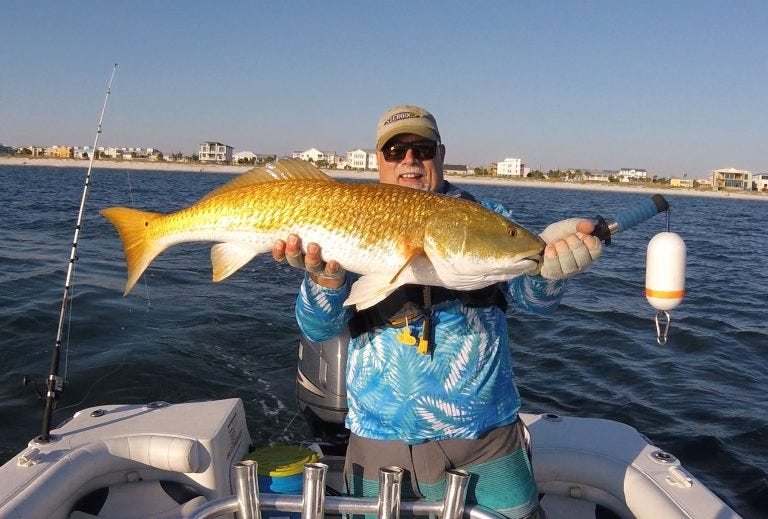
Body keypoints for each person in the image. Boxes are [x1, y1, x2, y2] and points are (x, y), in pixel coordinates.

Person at [272, 105, 602, 519]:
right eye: (395, 151)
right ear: (379, 159)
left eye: (423, 149)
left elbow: (536, 302)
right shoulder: (345, 217)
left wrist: (548, 269)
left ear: (441, 154)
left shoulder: (488, 218)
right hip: (379, 442)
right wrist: (325, 280)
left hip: (486, 440)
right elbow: (318, 328)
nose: (409, 160)